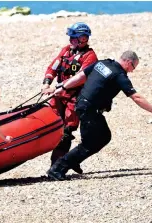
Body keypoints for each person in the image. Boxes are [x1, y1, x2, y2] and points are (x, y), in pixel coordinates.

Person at [46, 50, 152, 180]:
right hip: (89, 109)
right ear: (128, 62)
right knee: (92, 142)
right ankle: (58, 168)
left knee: (103, 137)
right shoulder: (119, 75)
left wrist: (63, 87)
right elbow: (136, 97)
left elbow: (80, 77)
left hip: (82, 105)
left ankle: (72, 160)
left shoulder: (102, 63)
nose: (132, 71)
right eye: (133, 67)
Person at [41, 22, 98, 174]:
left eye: (74, 38)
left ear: (83, 39)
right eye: (70, 38)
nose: (71, 41)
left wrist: (59, 88)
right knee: (52, 125)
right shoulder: (66, 51)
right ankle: (67, 160)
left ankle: (57, 165)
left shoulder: (90, 56)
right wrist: (47, 83)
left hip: (73, 98)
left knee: (66, 131)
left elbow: (80, 78)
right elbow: (53, 67)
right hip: (58, 96)